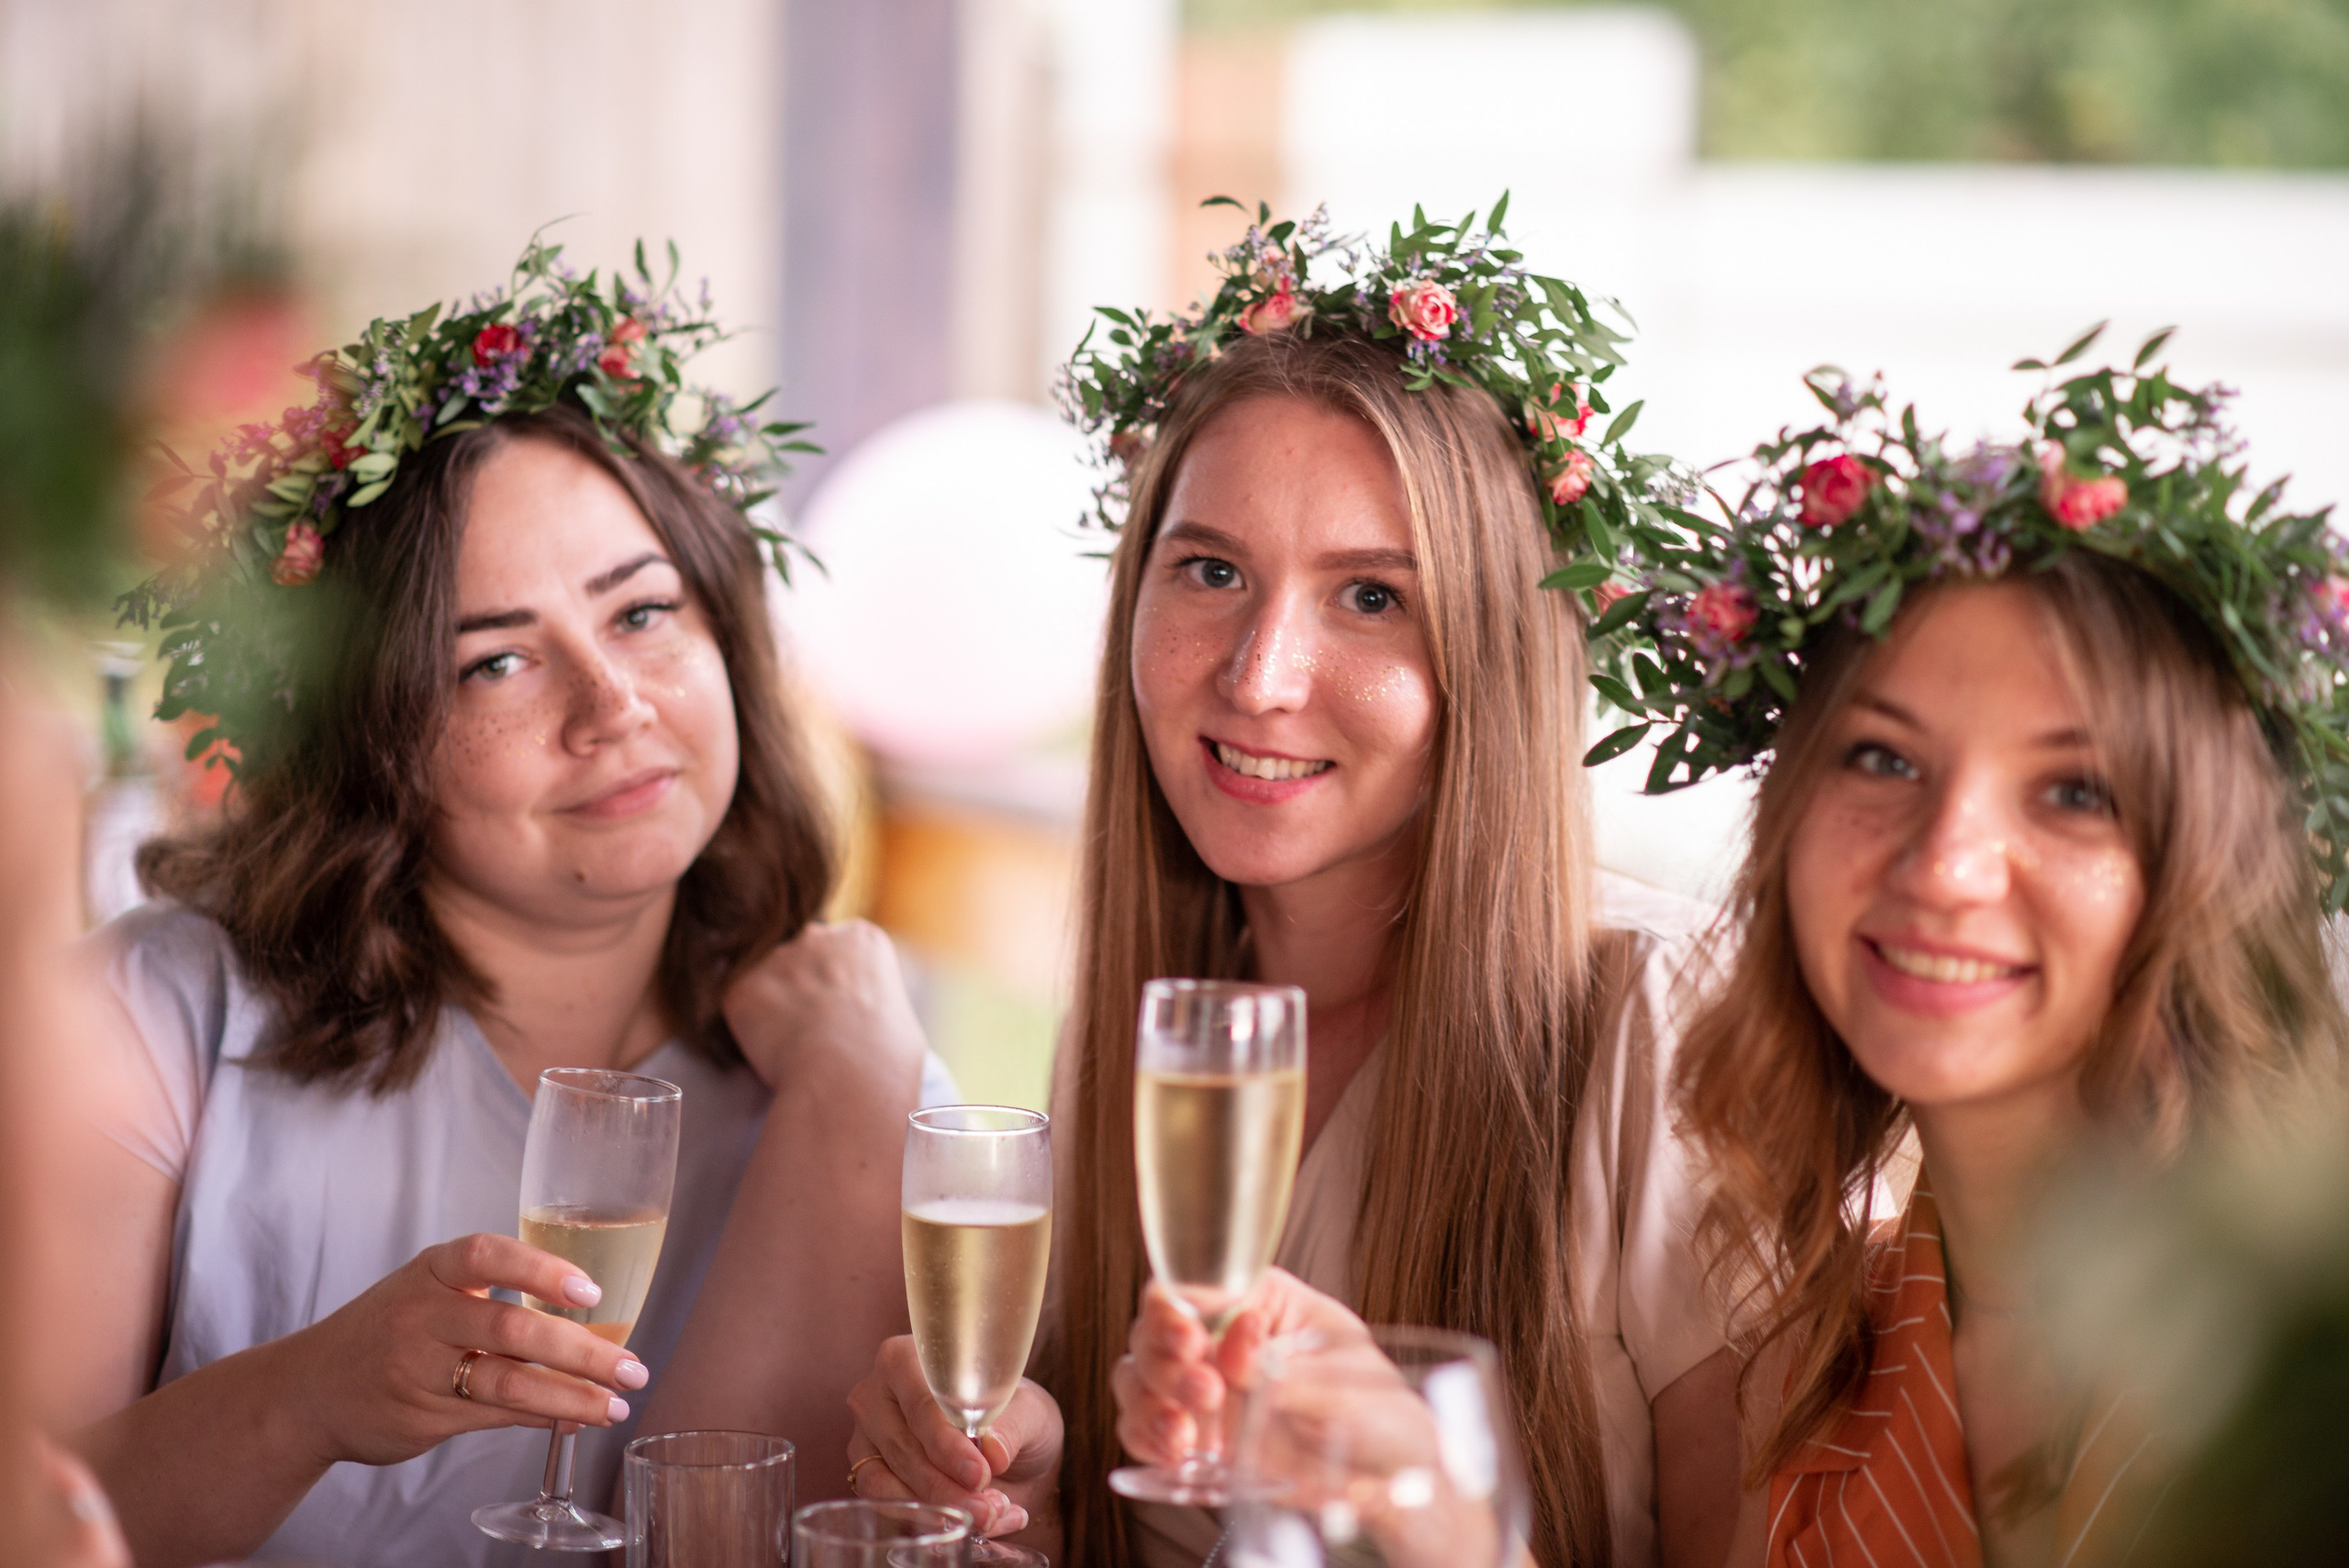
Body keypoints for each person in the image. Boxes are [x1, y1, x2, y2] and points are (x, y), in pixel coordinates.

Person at [844, 204, 1744, 1567]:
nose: (1260, 677)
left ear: (1494, 655)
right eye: (1212, 571)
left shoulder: (1659, 1023)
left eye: (1371, 596)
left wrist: (1437, 1527)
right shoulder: (1144, 1038)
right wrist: (1047, 1498)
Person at [52, 239, 952, 1568]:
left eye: (642, 613)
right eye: (496, 662)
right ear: (364, 732)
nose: (614, 706)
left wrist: (856, 1089)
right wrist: (311, 1397)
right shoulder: (154, 1020)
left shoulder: (854, 1067)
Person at [1646, 351, 2349, 1563]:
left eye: (2075, 790)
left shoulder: (2306, 1353)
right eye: (1883, 758)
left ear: (2216, 867)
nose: (1945, 866)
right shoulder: (1822, 1359)